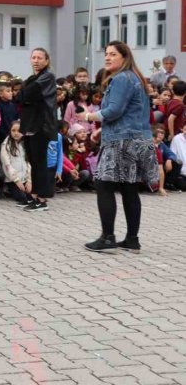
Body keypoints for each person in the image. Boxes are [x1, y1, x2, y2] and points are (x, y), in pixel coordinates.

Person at [80, 41, 157, 253]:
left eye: (113, 54)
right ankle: (132, 239)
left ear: (124, 57)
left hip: (121, 142)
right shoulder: (135, 78)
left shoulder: (122, 78)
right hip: (136, 138)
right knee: (129, 188)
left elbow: (114, 110)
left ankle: (107, 237)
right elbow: (129, 114)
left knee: (103, 185)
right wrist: (101, 129)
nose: (107, 57)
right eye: (106, 53)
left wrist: (88, 116)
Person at [19, 48, 57, 212]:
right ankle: (34, 196)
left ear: (47, 61)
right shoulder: (34, 78)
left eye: (39, 58)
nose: (36, 60)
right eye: (33, 57)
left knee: (40, 163)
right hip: (30, 125)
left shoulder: (47, 76)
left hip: (42, 126)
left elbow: (27, 94)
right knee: (34, 162)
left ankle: (42, 199)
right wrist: (24, 95)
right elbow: (19, 97)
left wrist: (24, 94)